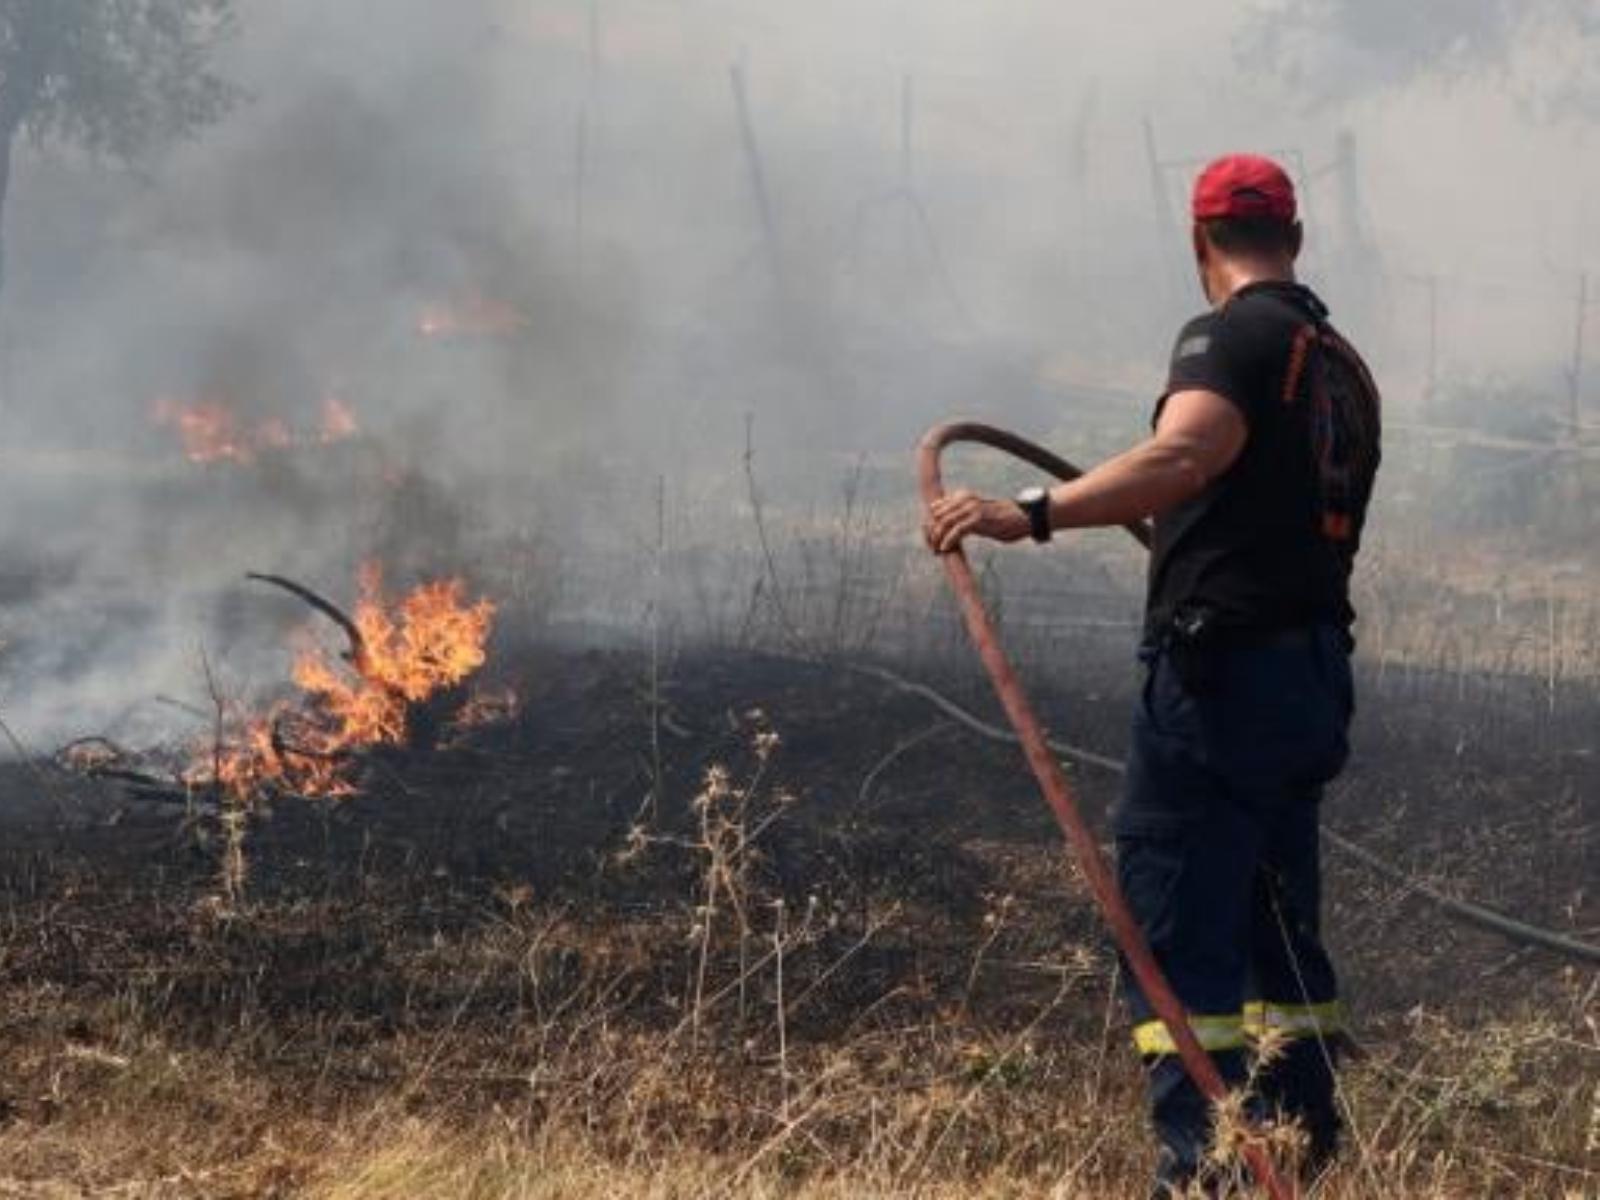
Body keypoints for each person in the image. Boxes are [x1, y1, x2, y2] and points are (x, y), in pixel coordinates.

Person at [923, 153, 1382, 1194]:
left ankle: (1204, 1172)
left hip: (1219, 682)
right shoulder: (1341, 362)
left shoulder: (1227, 337)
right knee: (1275, 925)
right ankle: (1295, 1148)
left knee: (1176, 925)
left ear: (1196, 243)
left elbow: (1185, 456)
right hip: (1307, 677)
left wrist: (1027, 513)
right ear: (1297, 238)